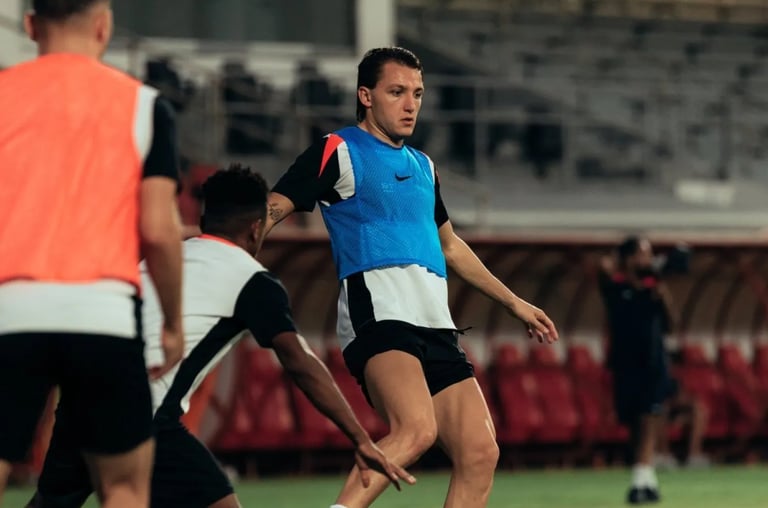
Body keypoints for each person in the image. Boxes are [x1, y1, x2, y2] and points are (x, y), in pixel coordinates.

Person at [265, 47, 559, 508]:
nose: (410, 105)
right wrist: (231, 260)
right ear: (366, 96)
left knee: (481, 452)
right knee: (417, 430)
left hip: (434, 322)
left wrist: (514, 303)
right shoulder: (338, 149)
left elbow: (450, 246)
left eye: (418, 94)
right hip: (379, 313)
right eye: (397, 92)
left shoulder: (424, 166)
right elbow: (270, 210)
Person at [27, 165, 415, 508]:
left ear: (203, 219)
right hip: (141, 413)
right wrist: (360, 439)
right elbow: (300, 362)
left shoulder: (162, 260)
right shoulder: (251, 279)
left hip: (81, 399)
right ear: (257, 227)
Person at [0, 1, 184, 506]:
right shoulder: (146, 106)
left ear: (31, 26)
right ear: (104, 25)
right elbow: (159, 230)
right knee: (123, 488)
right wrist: (171, 323)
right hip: (104, 316)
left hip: (10, 311)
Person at [598, 236, 676, 505]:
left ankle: (641, 481)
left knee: (649, 418)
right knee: (635, 424)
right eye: (643, 254)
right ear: (629, 258)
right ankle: (645, 479)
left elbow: (671, 325)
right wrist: (620, 265)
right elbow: (603, 270)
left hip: (652, 364)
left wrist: (663, 296)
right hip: (625, 365)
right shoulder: (616, 286)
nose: (648, 260)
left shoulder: (654, 289)